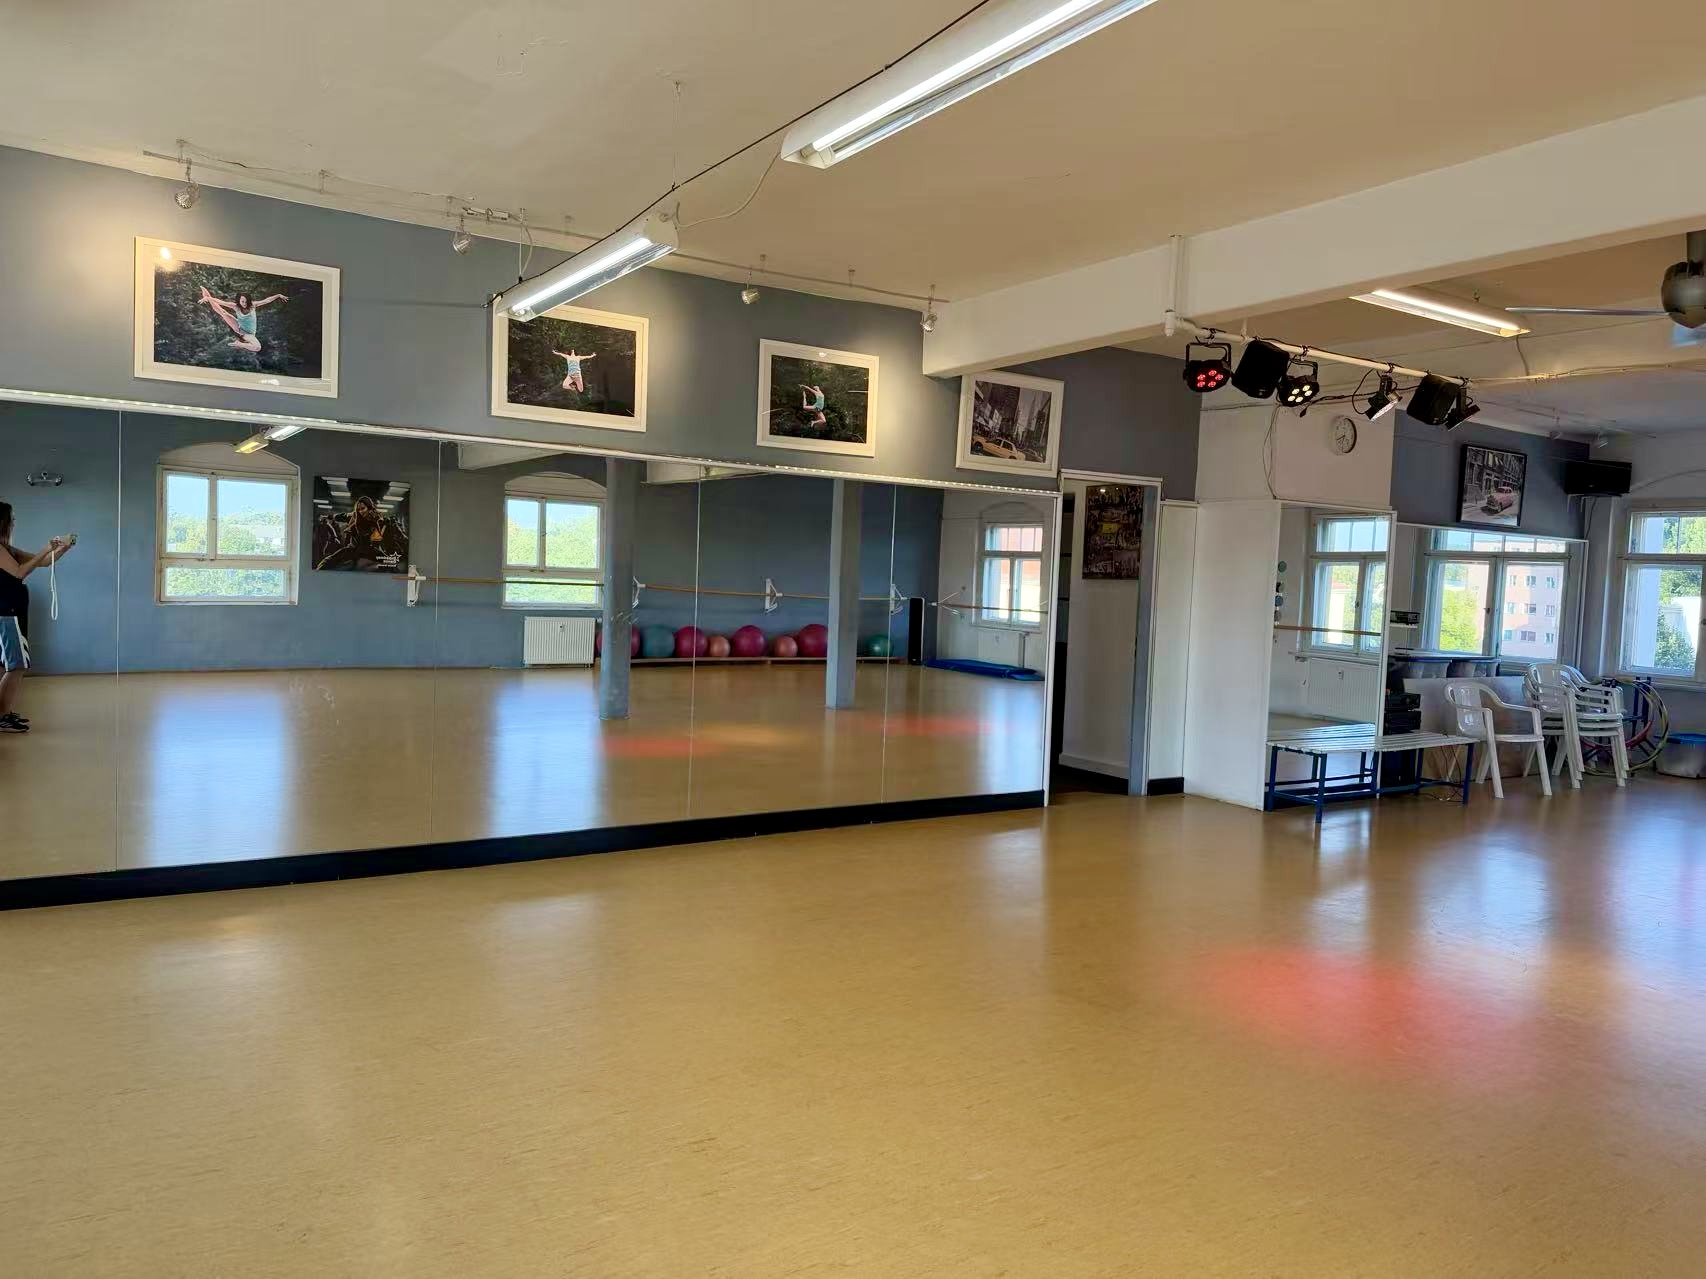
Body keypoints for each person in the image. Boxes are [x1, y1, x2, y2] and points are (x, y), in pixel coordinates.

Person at [0, 501, 75, 735]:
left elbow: (43, 562)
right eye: (11, 519)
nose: (14, 523)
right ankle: (2, 717)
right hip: (7, 614)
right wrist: (45, 548)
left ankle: (2, 713)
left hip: (12, 613)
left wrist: (64, 548)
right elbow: (19, 573)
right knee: (17, 665)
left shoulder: (7, 549)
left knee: (7, 665)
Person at [198, 286, 287, 353]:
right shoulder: (235, 306)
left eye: (246, 301)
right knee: (222, 312)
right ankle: (206, 294)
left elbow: (266, 300)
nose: (244, 304)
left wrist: (278, 295)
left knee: (257, 347)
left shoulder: (253, 305)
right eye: (242, 301)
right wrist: (208, 298)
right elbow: (221, 302)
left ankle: (239, 344)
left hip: (248, 334)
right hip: (239, 328)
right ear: (239, 301)